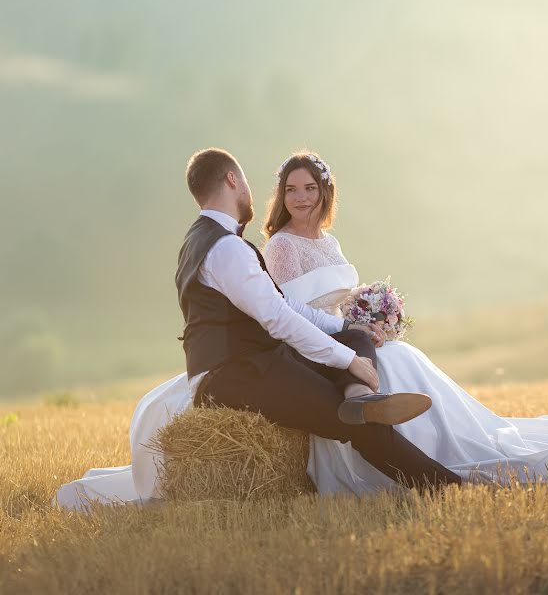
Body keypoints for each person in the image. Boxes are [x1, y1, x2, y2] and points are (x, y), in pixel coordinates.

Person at [54, 148, 460, 511]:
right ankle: (448, 487)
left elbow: (287, 306)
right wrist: (347, 359)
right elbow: (278, 319)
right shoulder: (227, 248)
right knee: (353, 424)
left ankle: (361, 396)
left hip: (254, 365)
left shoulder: (202, 239)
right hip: (237, 375)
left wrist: (344, 330)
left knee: (349, 338)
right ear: (233, 180)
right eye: (247, 181)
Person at [261, 151, 548, 495]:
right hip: (320, 345)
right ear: (281, 196)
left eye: (309, 188)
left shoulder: (329, 241)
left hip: (352, 336)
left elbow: (336, 297)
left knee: (406, 357)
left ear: (324, 192)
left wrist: (369, 314)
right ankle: (411, 446)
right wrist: (347, 334)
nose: (300, 198)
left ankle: (457, 441)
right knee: (395, 366)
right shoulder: (281, 246)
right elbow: (290, 311)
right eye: (291, 189)